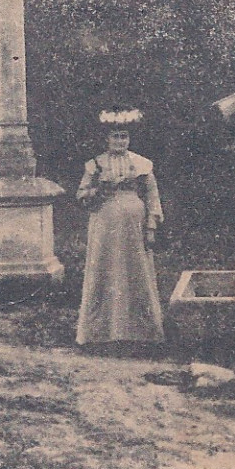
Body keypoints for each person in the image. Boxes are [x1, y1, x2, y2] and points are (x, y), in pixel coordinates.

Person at [75, 108, 165, 347]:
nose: (120, 141)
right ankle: (101, 332)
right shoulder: (95, 165)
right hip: (105, 224)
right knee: (106, 270)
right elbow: (82, 196)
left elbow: (152, 196)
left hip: (133, 225)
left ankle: (140, 332)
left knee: (135, 271)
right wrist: (100, 189)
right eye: (115, 136)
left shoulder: (141, 164)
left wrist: (151, 225)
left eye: (124, 136)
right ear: (107, 139)